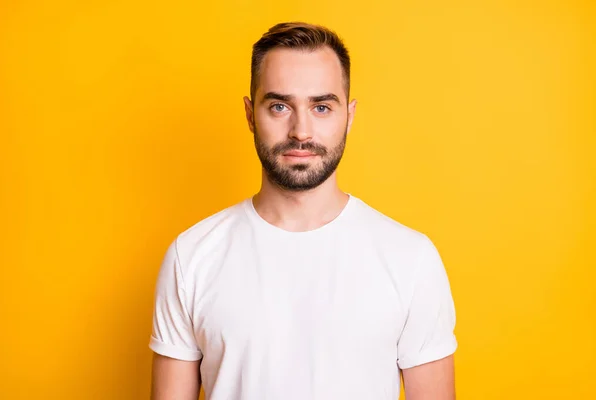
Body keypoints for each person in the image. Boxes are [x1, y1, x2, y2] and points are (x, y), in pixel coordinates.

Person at [149, 21, 457, 400]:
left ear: (350, 115)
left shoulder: (411, 258)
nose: (301, 130)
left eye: (321, 107)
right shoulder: (191, 256)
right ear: (249, 114)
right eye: (279, 106)